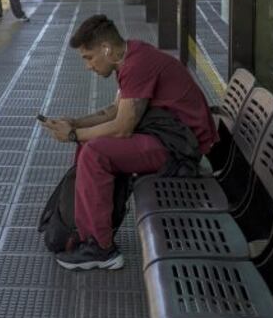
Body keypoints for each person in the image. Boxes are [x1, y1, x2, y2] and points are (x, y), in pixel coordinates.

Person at [40, 15, 218, 270]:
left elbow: (122, 128)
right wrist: (76, 123)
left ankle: (101, 249)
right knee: (89, 144)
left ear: (106, 49)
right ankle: (87, 226)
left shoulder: (137, 65)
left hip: (180, 146)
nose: (88, 66)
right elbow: (116, 110)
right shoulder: (129, 56)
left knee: (96, 152)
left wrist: (72, 135)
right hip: (167, 134)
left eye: (88, 57)